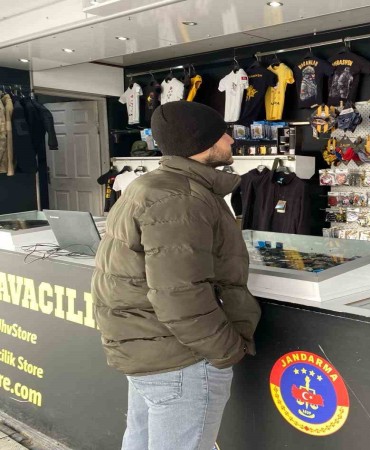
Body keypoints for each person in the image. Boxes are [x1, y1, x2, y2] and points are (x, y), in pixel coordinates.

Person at [91, 101, 261, 450]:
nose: (231, 140)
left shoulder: (154, 186)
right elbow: (179, 292)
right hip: (181, 359)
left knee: (139, 441)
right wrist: (224, 349)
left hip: (153, 348)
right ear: (201, 142)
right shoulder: (182, 198)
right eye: (222, 134)